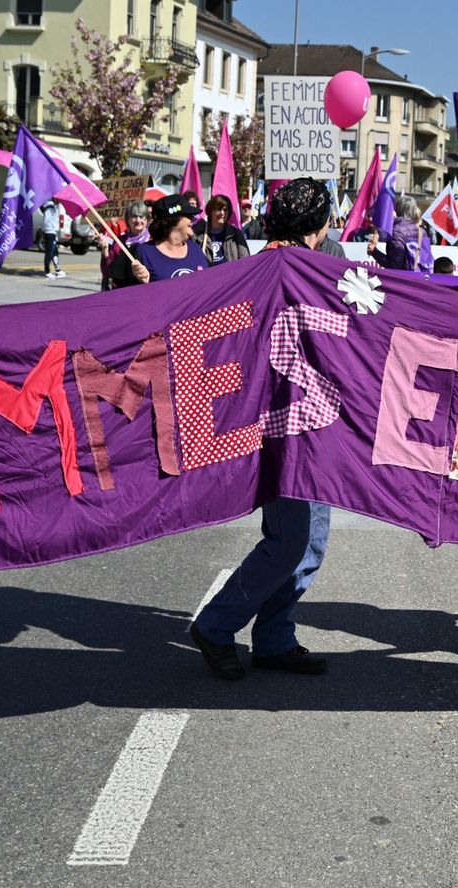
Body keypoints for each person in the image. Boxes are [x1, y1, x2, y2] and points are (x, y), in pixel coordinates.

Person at [189, 177, 336, 680]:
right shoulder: (276, 272)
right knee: (291, 539)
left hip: (308, 425)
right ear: (320, 224)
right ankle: (215, 624)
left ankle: (274, 638)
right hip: (281, 428)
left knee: (309, 540)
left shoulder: (311, 270)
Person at [106, 194, 205, 286]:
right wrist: (140, 283)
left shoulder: (196, 249)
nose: (193, 218)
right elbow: (121, 294)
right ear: (173, 219)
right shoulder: (141, 253)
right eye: (188, 215)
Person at [98, 202, 150, 289]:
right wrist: (105, 251)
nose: (138, 220)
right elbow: (107, 271)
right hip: (122, 291)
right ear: (127, 220)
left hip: (146, 290)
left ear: (147, 220)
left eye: (141, 217)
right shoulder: (120, 241)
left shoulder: (152, 239)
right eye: (134, 216)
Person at [368, 195, 421, 271]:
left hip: (405, 279)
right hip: (422, 278)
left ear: (397, 209)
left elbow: (394, 265)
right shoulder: (421, 231)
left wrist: (374, 251)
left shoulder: (397, 230)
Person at [195, 195, 250, 266]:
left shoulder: (236, 234)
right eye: (218, 209)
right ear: (210, 211)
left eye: (225, 210)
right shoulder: (199, 236)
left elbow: (245, 261)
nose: (222, 213)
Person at [39, 198, 65, 279]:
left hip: (53, 231)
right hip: (49, 231)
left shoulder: (54, 206)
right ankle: (47, 271)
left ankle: (58, 270)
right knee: (49, 252)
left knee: (54, 251)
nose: (60, 201)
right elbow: (47, 220)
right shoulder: (49, 206)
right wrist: (45, 229)